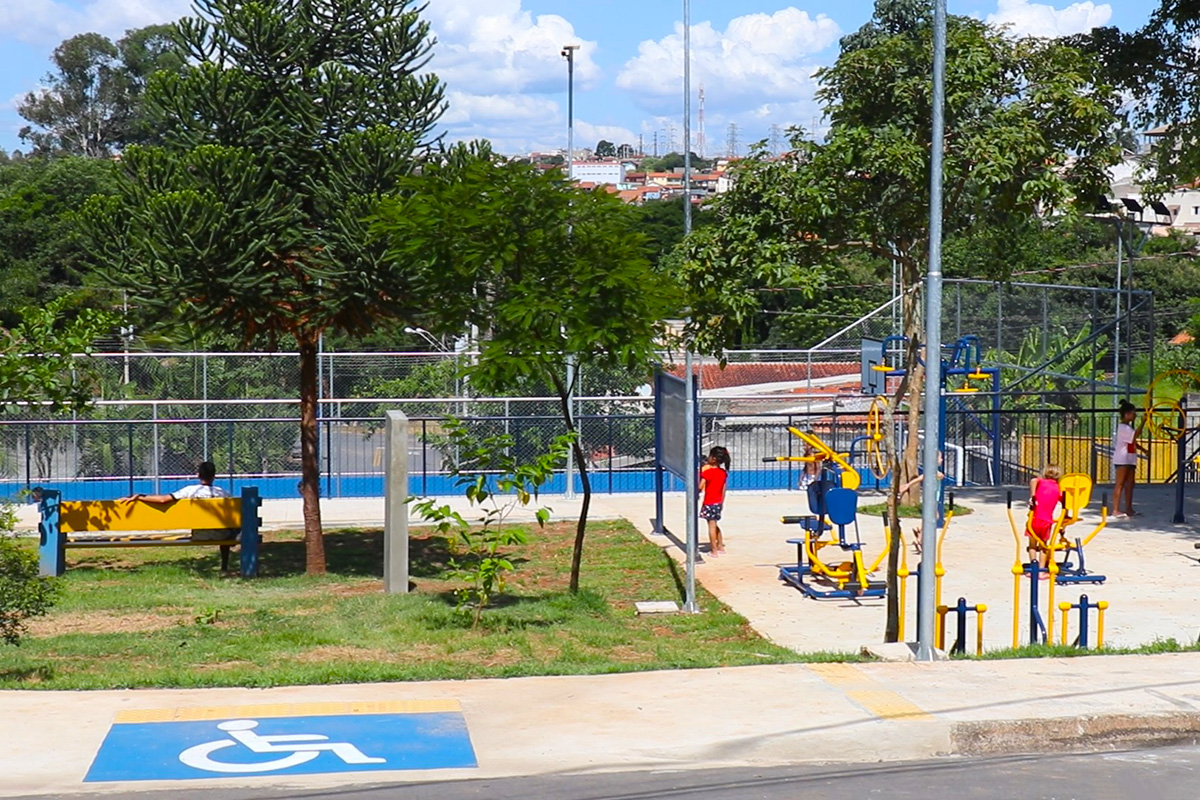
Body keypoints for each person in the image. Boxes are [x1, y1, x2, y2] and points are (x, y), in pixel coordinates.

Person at [124, 461, 238, 570]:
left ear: (198, 475)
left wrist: (140, 496)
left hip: (199, 535)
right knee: (231, 528)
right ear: (214, 476)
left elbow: (163, 500)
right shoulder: (222, 493)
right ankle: (224, 566)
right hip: (221, 536)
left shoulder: (190, 491)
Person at [1027, 464, 1063, 577]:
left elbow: (1033, 480)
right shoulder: (1058, 488)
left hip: (1034, 519)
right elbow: (1064, 501)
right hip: (1046, 521)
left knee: (1032, 545)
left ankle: (1033, 568)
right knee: (1044, 546)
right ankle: (1041, 570)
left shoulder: (1040, 483)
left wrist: (1032, 495)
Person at [1112, 400, 1146, 518]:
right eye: (1133, 413)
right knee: (1120, 484)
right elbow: (1134, 436)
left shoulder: (1128, 428)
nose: (1134, 415)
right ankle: (1116, 509)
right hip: (1122, 459)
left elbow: (1133, 442)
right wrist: (1143, 423)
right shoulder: (1123, 428)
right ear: (1126, 414)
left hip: (1130, 458)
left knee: (1130, 484)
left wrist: (1143, 450)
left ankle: (1128, 508)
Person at [698, 446, 730, 556]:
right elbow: (723, 490)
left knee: (711, 526)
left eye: (710, 456)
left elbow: (700, 486)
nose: (708, 458)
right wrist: (721, 502)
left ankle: (714, 550)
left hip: (709, 503)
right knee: (715, 524)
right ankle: (720, 546)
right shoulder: (723, 473)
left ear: (714, 459)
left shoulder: (707, 473)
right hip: (718, 503)